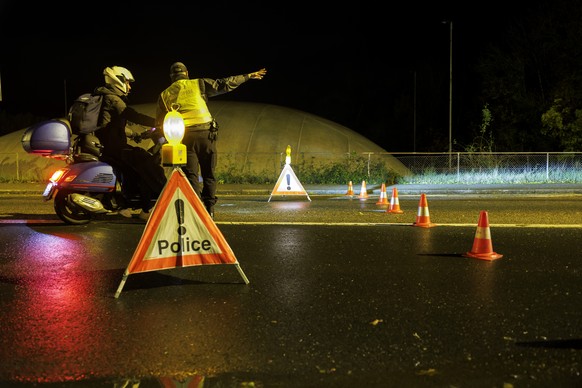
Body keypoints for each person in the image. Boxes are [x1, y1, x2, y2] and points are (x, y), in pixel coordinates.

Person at [156, 62, 267, 219]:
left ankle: (196, 210)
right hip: (206, 135)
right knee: (209, 173)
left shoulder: (164, 95)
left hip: (184, 138)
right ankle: (209, 209)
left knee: (191, 176)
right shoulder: (198, 83)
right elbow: (224, 84)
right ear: (187, 73)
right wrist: (247, 76)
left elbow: (160, 122)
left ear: (171, 77)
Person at [93, 66, 168, 221]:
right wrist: (159, 122)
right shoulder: (112, 98)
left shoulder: (105, 96)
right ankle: (146, 209)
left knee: (132, 169)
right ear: (118, 80)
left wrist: (136, 135)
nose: (129, 86)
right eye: (127, 82)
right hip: (114, 148)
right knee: (146, 161)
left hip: (110, 146)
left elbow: (112, 125)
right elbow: (132, 115)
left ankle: (126, 205)